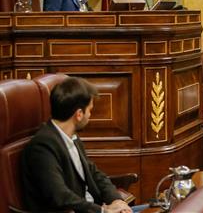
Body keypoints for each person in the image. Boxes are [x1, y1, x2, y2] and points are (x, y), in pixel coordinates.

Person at [21, 77, 132, 213]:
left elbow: (94, 173)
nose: (89, 116)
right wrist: (103, 211)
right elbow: (60, 196)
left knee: (160, 208)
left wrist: (116, 201)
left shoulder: (71, 137)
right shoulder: (41, 147)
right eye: (90, 110)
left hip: (98, 208)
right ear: (79, 114)